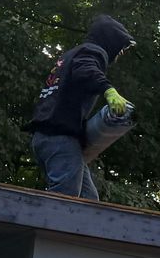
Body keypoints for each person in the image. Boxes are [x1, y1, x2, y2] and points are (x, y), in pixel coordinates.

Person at [25, 14, 135, 199]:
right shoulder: (93, 52)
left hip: (45, 138)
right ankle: (49, 228)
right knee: (63, 202)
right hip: (59, 138)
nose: (121, 53)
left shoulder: (71, 54)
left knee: (88, 201)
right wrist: (108, 90)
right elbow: (85, 70)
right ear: (111, 41)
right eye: (121, 48)